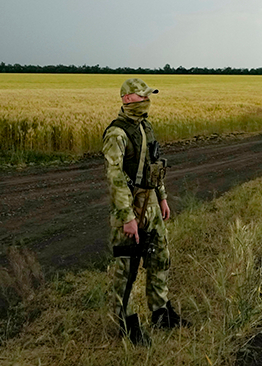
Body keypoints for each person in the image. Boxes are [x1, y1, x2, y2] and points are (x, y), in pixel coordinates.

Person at [102, 78, 189, 344]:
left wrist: (162, 197)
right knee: (125, 269)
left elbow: (154, 165)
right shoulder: (117, 133)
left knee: (160, 257)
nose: (147, 101)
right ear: (128, 100)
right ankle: (125, 323)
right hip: (129, 208)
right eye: (143, 97)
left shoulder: (146, 127)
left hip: (151, 203)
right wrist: (127, 216)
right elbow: (115, 176)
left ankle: (160, 313)